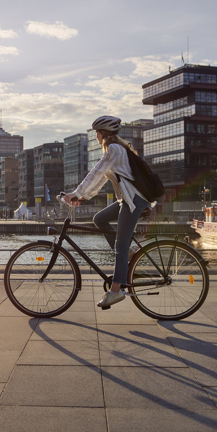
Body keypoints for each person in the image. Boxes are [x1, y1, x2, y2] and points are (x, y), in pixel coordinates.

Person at [63, 115, 151, 309]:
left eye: (97, 132)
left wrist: (75, 193)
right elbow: (102, 177)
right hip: (127, 199)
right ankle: (127, 253)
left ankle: (116, 290)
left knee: (119, 247)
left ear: (103, 133)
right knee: (100, 219)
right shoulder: (118, 150)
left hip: (133, 201)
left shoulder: (114, 149)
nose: (96, 135)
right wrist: (83, 196)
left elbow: (95, 172)